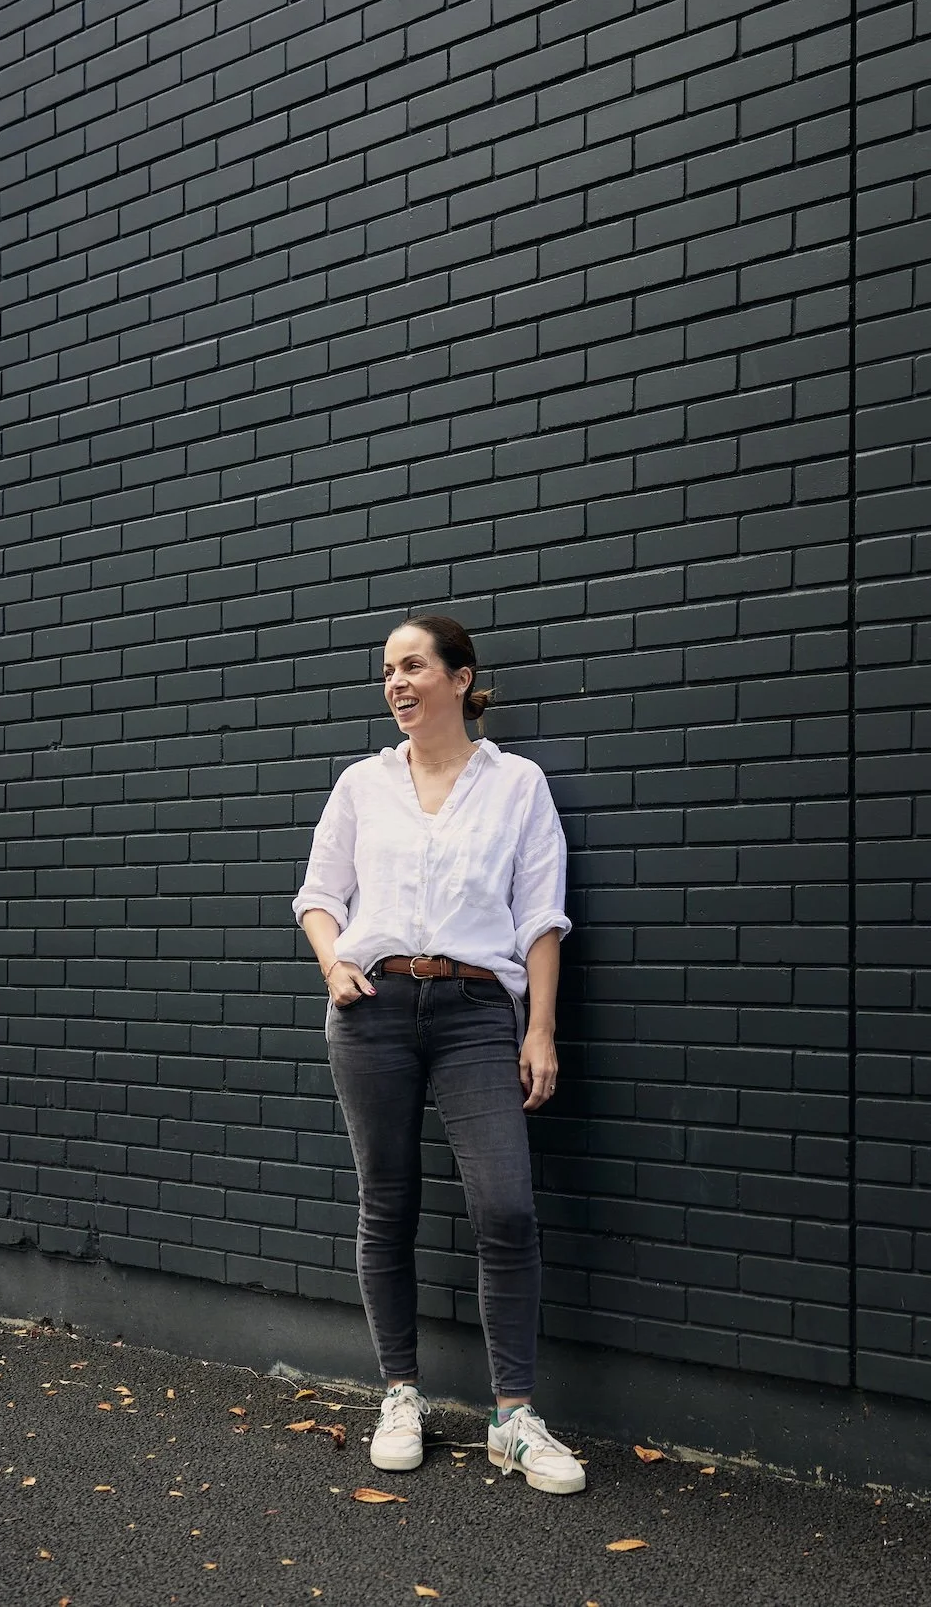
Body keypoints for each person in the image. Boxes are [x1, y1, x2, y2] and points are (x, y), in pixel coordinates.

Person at [291, 614, 585, 1496]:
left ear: (461, 678)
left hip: (473, 1012)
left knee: (506, 1208)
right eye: (388, 670)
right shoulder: (360, 784)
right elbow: (318, 893)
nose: (398, 682)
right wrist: (334, 962)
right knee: (388, 1202)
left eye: (414, 665)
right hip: (373, 1009)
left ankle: (514, 1418)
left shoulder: (517, 785)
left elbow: (541, 914)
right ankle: (399, 1394)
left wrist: (539, 1028)